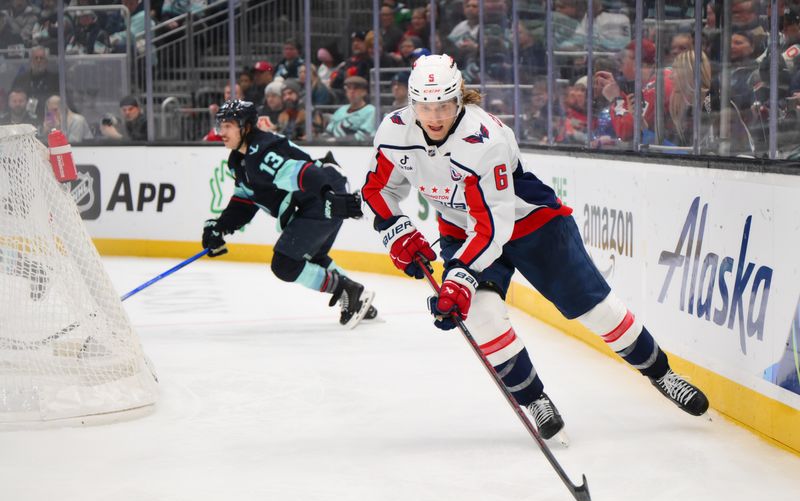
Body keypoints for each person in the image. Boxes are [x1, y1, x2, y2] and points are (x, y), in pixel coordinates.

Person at [362, 54, 709, 441]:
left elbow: (494, 226)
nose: (434, 116)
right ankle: (533, 398)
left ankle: (662, 373)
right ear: (412, 103)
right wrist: (395, 228)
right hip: (464, 229)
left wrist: (459, 276)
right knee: (481, 314)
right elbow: (378, 188)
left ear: (458, 99)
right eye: (425, 107)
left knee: (596, 310)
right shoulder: (395, 131)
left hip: (530, 224)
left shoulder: (484, 139)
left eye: (443, 105)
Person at [202, 99, 377, 328]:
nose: (221, 132)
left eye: (228, 126)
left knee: (284, 264)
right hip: (317, 197)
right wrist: (220, 226)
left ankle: (348, 290)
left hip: (320, 196)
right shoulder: (238, 160)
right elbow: (243, 201)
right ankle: (358, 297)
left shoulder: (261, 154)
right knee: (310, 259)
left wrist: (329, 197)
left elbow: (305, 173)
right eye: (220, 125)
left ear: (244, 127)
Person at [325, 76, 376, 142]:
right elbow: (329, 131)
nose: (352, 91)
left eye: (356, 88)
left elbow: (364, 136)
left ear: (364, 92)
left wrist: (337, 140)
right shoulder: (341, 110)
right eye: (349, 88)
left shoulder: (371, 111)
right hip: (333, 147)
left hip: (357, 149)